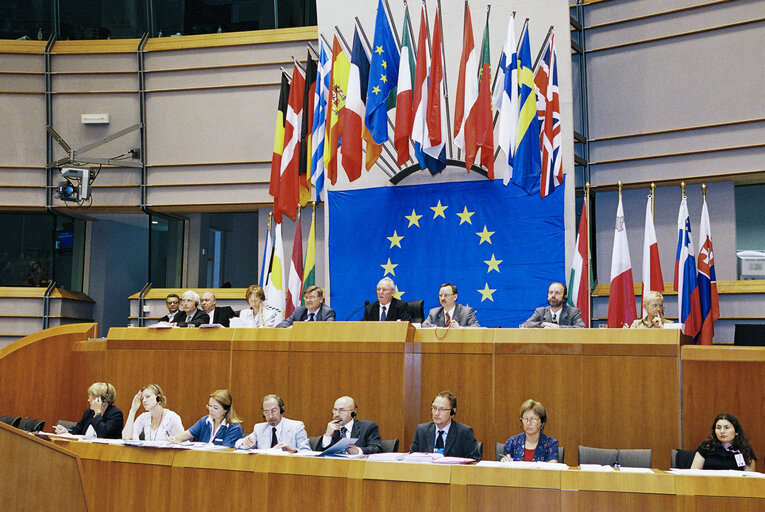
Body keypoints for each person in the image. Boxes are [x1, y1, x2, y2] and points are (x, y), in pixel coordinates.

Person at [409, 391, 481, 460]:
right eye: (434, 408)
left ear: (452, 412)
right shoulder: (422, 431)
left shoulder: (464, 433)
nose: (436, 413)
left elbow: (474, 461)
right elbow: (411, 459)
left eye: (442, 409)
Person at [235, 394, 310, 452]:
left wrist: (293, 450)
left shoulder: (296, 426)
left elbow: (307, 452)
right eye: (266, 412)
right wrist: (245, 444)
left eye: (274, 411)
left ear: (282, 409)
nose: (270, 416)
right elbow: (238, 443)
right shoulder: (259, 428)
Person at [169, 389, 242, 447]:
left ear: (226, 410)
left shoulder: (234, 428)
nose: (211, 410)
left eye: (215, 408)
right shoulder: (205, 421)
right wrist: (173, 439)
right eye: (210, 406)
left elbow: (226, 452)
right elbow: (185, 435)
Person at [54, 382, 123, 439]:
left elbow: (102, 433)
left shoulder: (115, 414)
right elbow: (78, 430)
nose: (89, 400)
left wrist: (97, 413)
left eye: (92, 398)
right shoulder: (89, 412)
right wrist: (65, 430)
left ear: (103, 400)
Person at [690, 413, 756, 471]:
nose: (722, 431)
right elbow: (693, 474)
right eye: (718, 428)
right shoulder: (706, 447)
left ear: (736, 431)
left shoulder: (745, 450)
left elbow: (749, 479)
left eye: (727, 428)